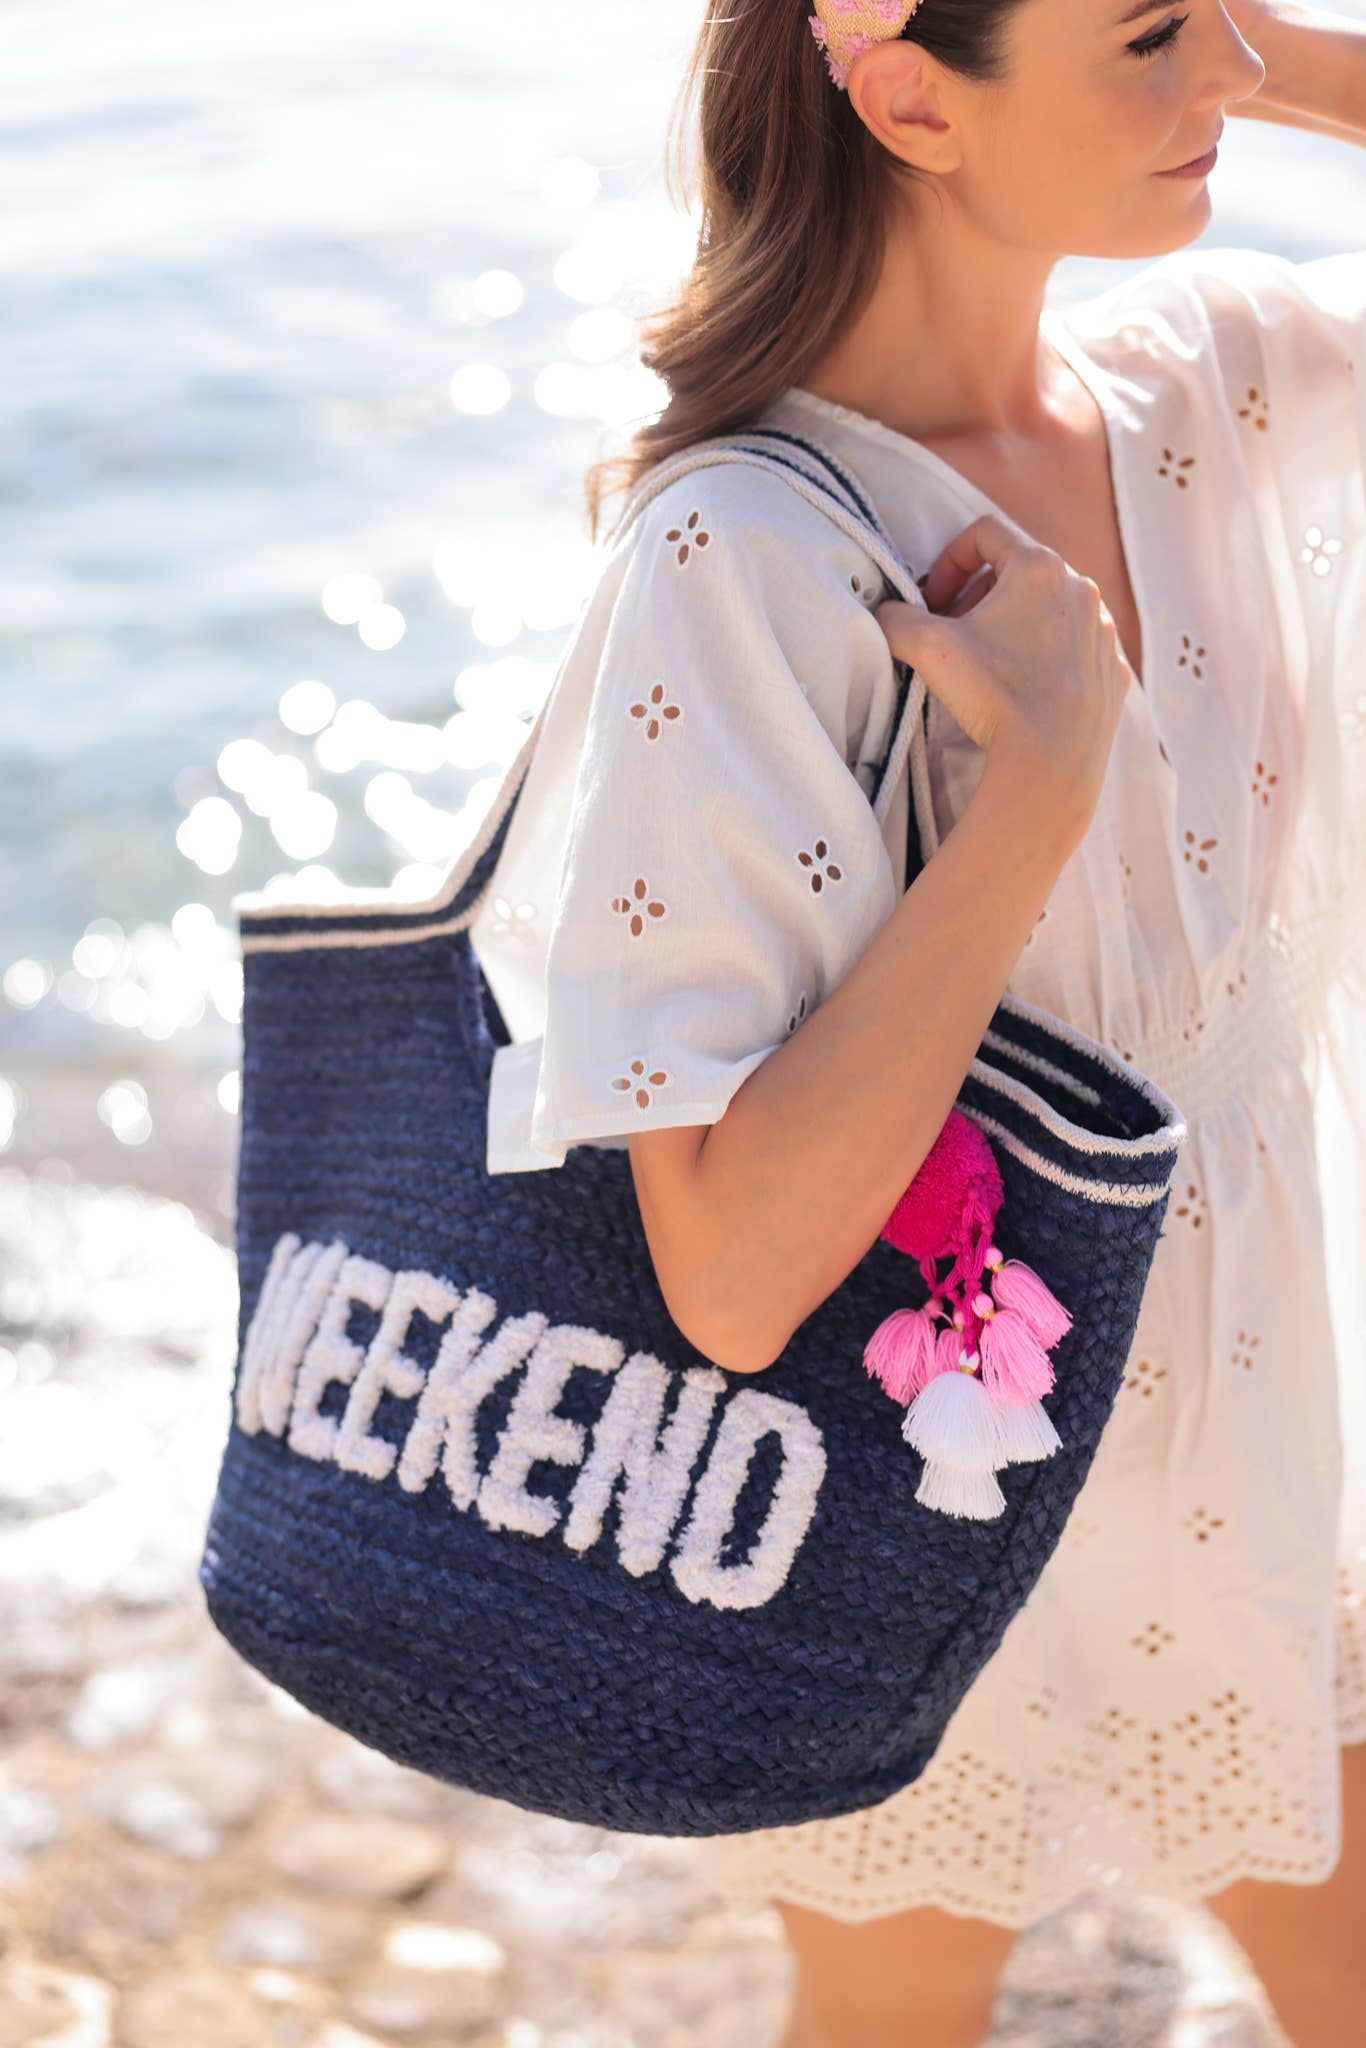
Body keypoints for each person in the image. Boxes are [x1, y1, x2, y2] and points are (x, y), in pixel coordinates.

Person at [469, 0, 1366, 2040]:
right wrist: (1035, 793)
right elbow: (730, 1265)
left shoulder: (1210, 383)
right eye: (1147, 36)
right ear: (901, 96)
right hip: (914, 1500)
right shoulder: (751, 553)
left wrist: (1269, 48)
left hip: (1253, 1444)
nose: (1214, 82)